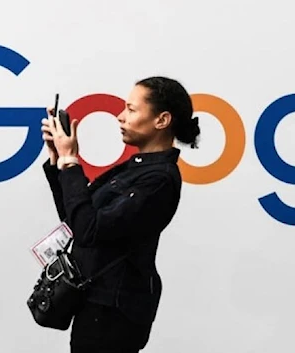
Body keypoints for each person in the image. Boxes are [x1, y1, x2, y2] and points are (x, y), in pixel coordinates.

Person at [40, 76, 201, 352]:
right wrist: (59, 162)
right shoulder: (136, 168)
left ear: (161, 120)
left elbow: (89, 230)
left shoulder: (158, 180)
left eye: (131, 109)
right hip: (95, 306)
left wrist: (71, 162)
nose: (120, 116)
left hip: (114, 313)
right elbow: (76, 221)